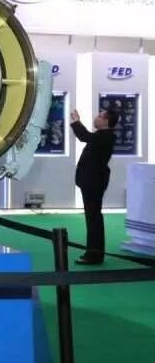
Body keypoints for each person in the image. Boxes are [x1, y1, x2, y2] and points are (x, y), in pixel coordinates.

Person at [70, 108, 118, 265]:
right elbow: (87, 137)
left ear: (106, 121)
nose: (96, 118)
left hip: (93, 181)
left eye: (99, 116)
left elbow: (84, 136)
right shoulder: (102, 136)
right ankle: (94, 252)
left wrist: (76, 121)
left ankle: (94, 254)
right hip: (92, 181)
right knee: (93, 217)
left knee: (93, 218)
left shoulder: (106, 136)